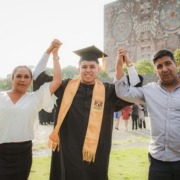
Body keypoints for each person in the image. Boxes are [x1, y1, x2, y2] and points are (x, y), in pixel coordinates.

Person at [32, 45, 142, 180]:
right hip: (67, 149)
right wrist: (48, 52)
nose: (88, 70)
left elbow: (135, 90)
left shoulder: (109, 91)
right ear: (78, 69)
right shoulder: (64, 86)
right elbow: (37, 77)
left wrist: (127, 63)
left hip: (96, 151)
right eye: (84, 67)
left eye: (92, 66)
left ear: (99, 69)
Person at [0, 39, 62, 180]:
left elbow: (57, 81)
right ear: (12, 78)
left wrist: (53, 53)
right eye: (19, 76)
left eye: (26, 76)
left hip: (22, 154)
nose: (22, 79)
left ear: (31, 80)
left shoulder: (35, 98)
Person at [115, 48, 180, 180]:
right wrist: (121, 66)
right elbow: (123, 92)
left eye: (168, 63)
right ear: (156, 71)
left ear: (176, 65)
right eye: (159, 66)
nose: (164, 69)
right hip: (158, 163)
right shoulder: (149, 91)